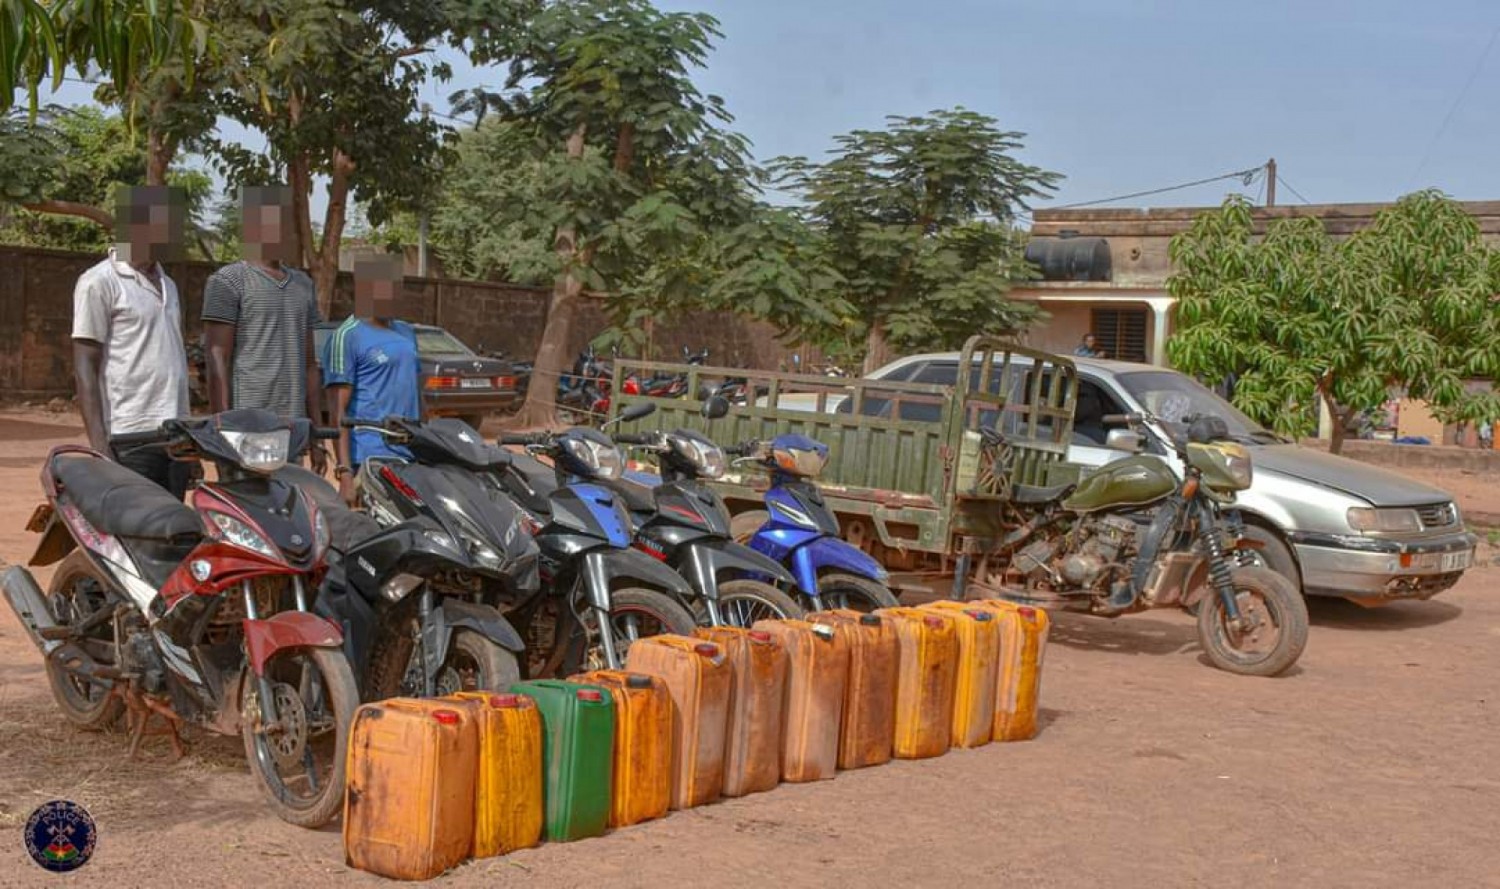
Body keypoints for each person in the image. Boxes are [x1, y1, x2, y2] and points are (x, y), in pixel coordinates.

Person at [72, 186, 192, 497]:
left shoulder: (169, 284)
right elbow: (85, 365)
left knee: (175, 531)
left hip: (175, 435)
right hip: (129, 435)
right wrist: (99, 445)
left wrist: (190, 443)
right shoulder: (99, 282)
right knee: (138, 531)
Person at [202, 185, 326, 471]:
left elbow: (309, 363)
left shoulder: (303, 285)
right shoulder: (229, 281)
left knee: (291, 508)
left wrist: (316, 435)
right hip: (248, 429)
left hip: (291, 430)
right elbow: (216, 356)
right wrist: (222, 430)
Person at [322, 255, 421, 505]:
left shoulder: (406, 332)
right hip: (369, 458)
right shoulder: (346, 336)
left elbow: (415, 392)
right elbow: (337, 414)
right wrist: (344, 475)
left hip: (409, 455)